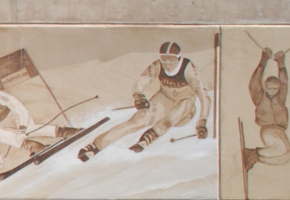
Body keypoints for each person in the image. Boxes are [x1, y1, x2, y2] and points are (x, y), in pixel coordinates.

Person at [78, 41, 210, 161]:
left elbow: (203, 96)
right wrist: (139, 96)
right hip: (165, 98)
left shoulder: (189, 69)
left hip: (185, 106)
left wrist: (202, 122)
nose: (167, 63)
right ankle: (96, 145)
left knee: (169, 119)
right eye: (164, 58)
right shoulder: (158, 65)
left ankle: (148, 138)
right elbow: (141, 81)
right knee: (138, 121)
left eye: (171, 59)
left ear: (179, 58)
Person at [244, 47, 290, 171]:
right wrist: (263, 61)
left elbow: (284, 82)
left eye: (275, 88)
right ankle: (254, 153)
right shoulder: (260, 97)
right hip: (268, 129)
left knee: (286, 156)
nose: (272, 90)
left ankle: (255, 157)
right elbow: (254, 83)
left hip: (280, 130)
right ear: (265, 86)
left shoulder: (280, 98)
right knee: (280, 149)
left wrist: (281, 63)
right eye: (269, 87)